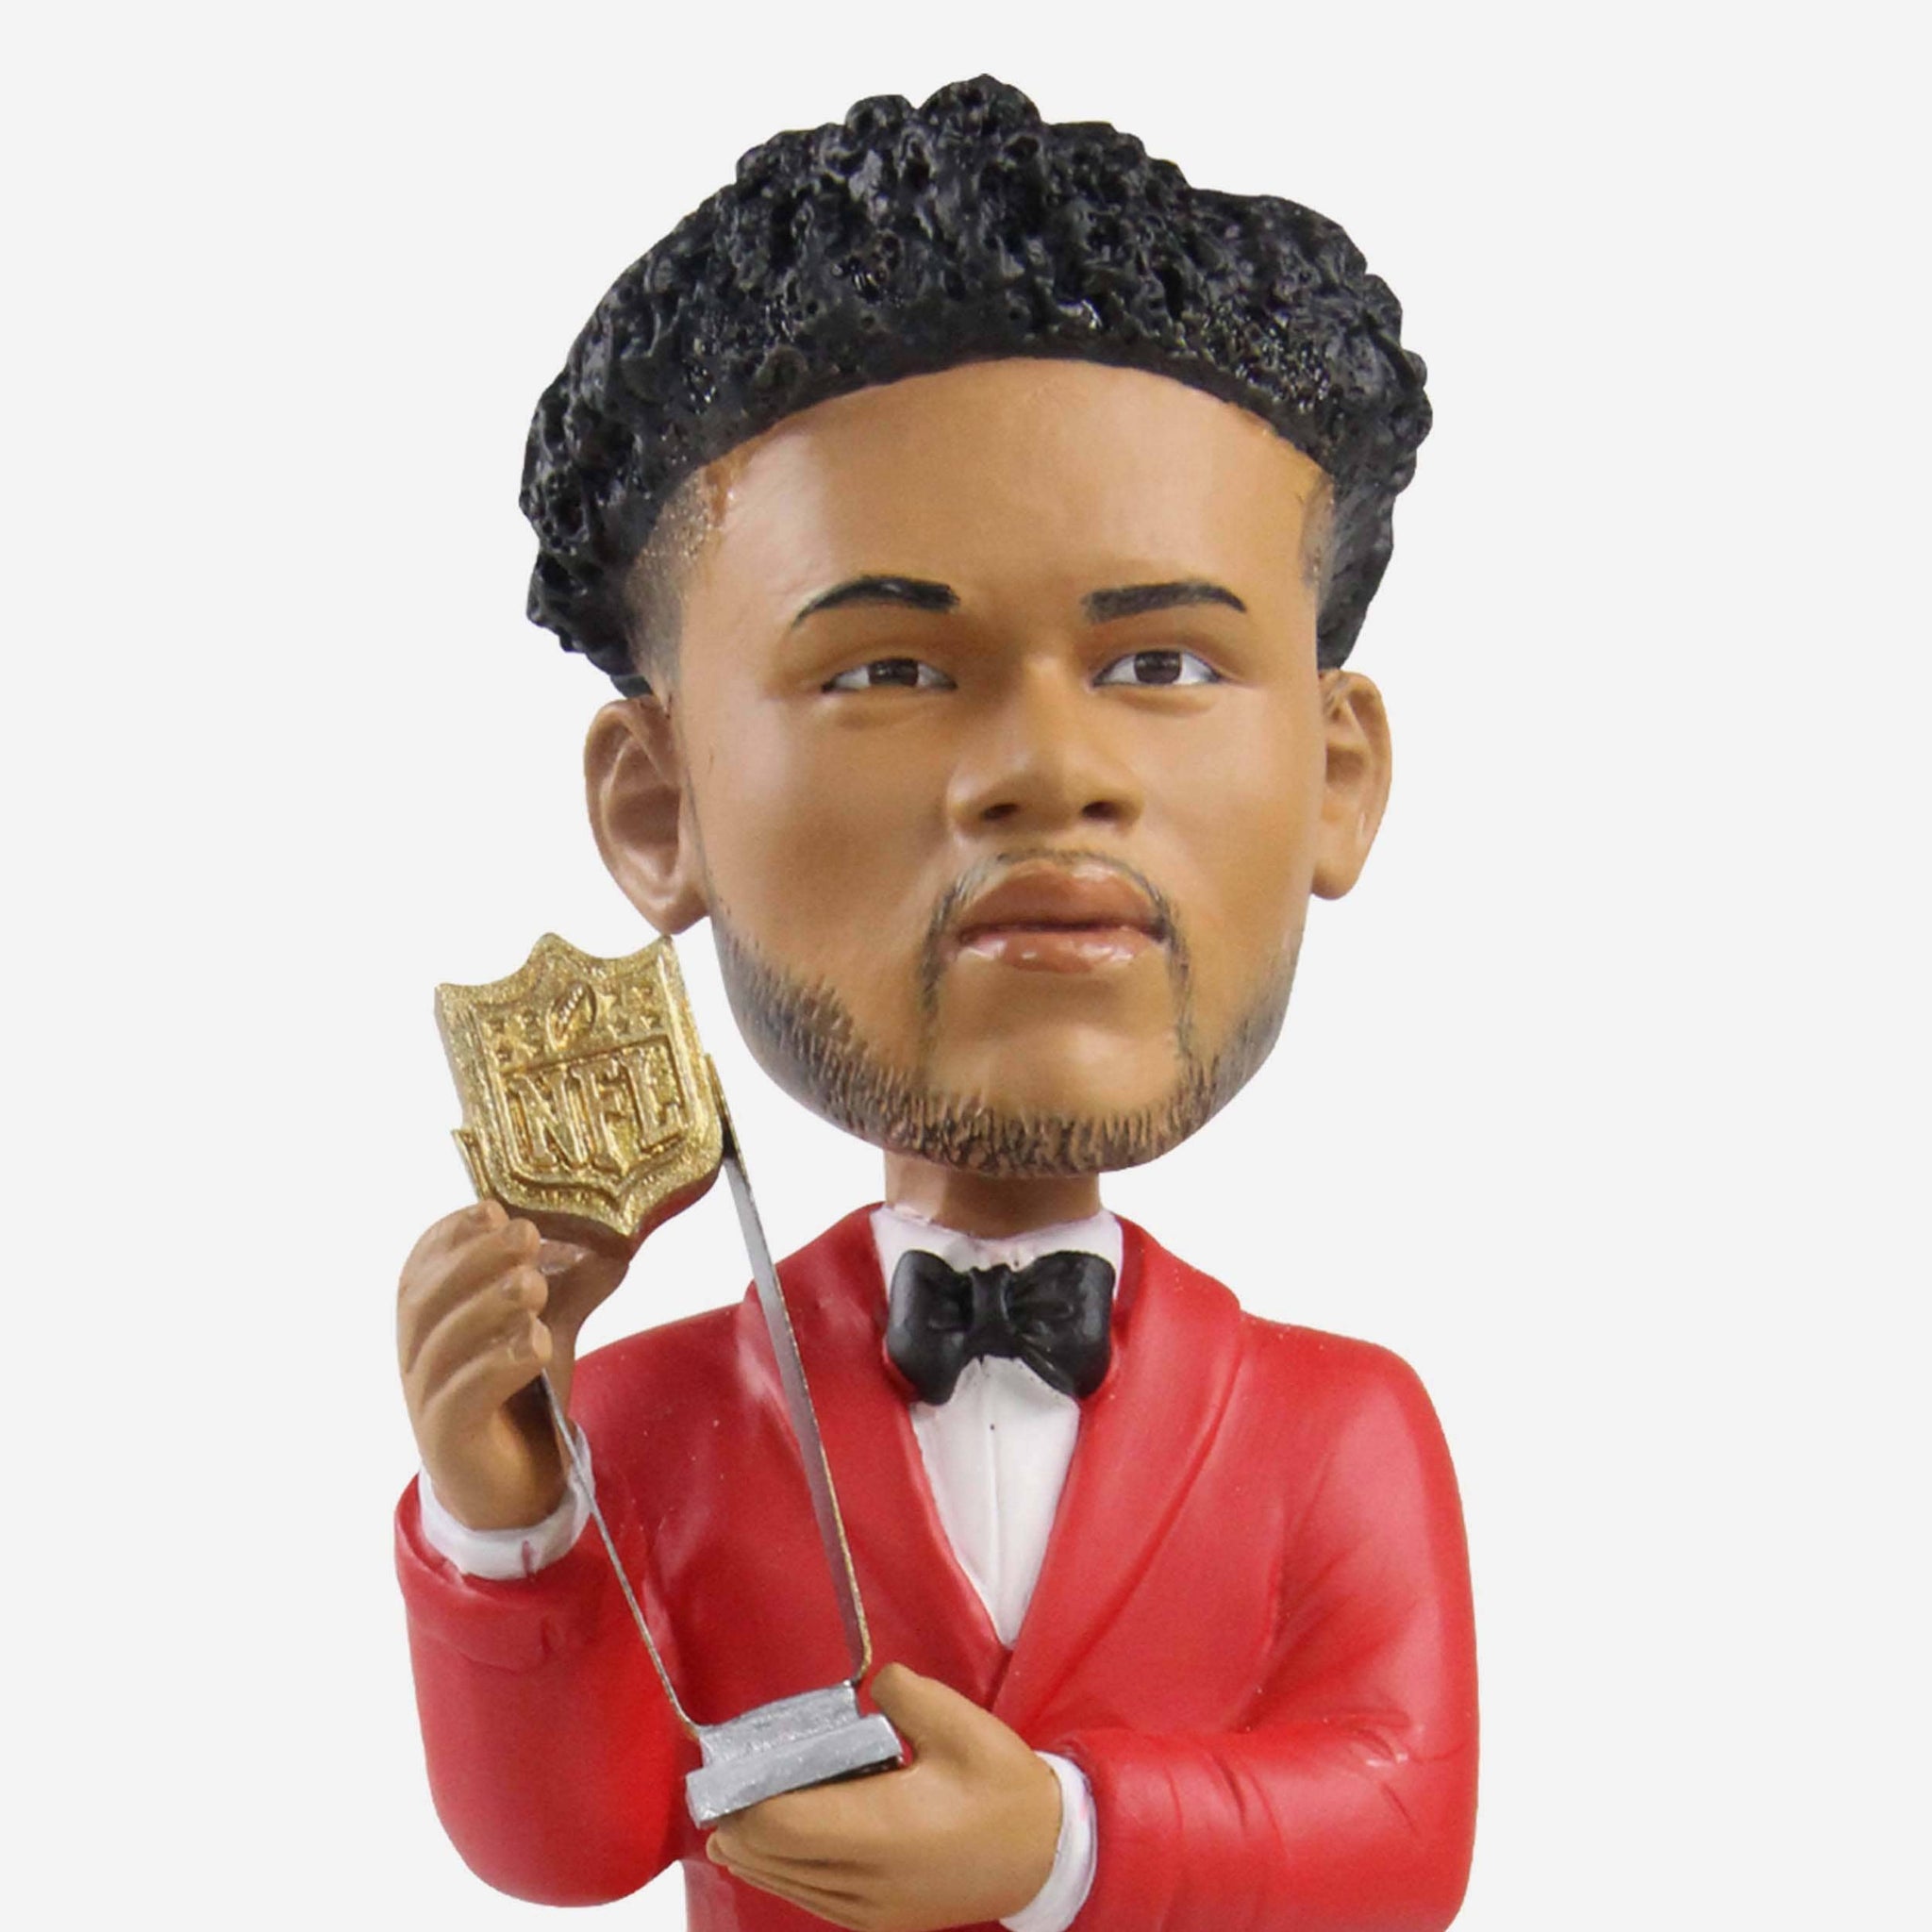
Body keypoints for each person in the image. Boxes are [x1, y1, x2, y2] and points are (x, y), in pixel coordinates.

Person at [395, 76, 1477, 1932]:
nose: (1049, 772)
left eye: (1161, 662)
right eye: (892, 670)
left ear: (1336, 773)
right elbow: (561, 1846)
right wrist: (503, 1512)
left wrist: (1064, 1841)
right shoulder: (648, 1418)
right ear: (658, 808)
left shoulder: (1341, 1429)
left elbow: (1400, 1831)